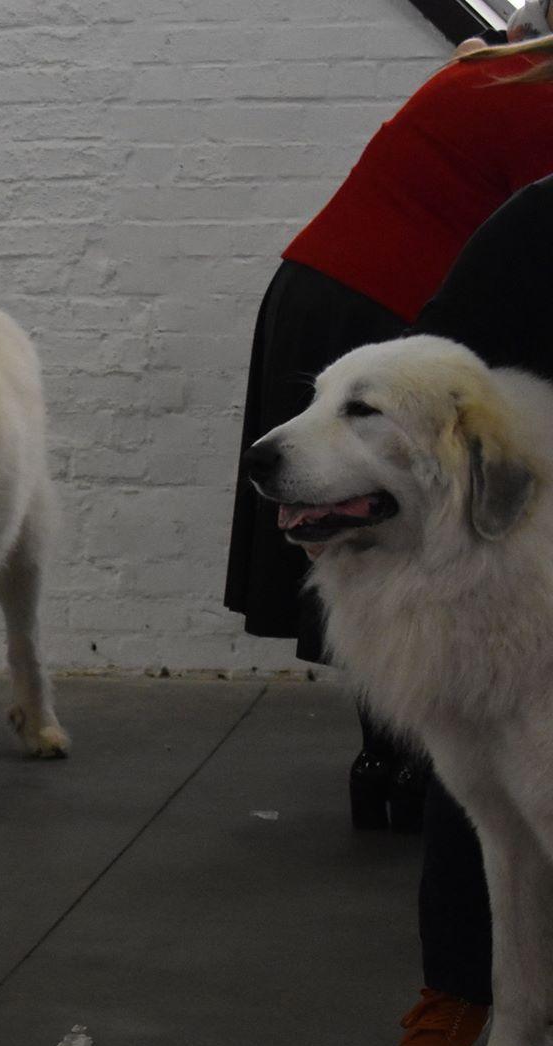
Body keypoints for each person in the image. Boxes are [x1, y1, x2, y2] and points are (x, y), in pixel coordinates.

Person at [222, 38, 553, 833]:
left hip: (335, 293)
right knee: (386, 522)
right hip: (387, 310)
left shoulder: (489, 67)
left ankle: (398, 755)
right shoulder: (539, 102)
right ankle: (412, 754)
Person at [389, 161, 553, 1046]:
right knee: (488, 801)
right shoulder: (535, 224)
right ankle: (472, 995)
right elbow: (423, 387)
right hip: (511, 547)